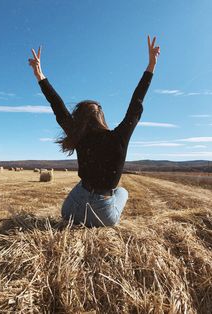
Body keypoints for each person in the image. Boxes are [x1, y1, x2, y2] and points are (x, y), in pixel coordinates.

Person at [28, 36, 160, 227]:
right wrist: (151, 65)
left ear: (79, 118)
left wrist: (40, 75)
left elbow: (57, 106)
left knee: (82, 186)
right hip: (102, 215)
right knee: (123, 192)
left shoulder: (79, 136)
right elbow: (136, 103)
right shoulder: (119, 137)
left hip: (70, 210)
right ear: (101, 116)